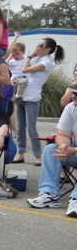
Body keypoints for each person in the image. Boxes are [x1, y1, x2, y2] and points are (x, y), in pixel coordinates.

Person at [15, 37, 65, 165]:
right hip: (21, 96)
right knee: (20, 127)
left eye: (40, 45)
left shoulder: (46, 62)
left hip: (32, 98)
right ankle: (20, 153)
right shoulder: (37, 59)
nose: (37, 47)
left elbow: (24, 69)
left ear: (47, 49)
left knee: (31, 129)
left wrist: (28, 57)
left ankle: (38, 155)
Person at [27, 88, 77, 216]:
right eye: (73, 92)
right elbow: (62, 135)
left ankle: (76, 199)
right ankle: (50, 195)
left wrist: (74, 151)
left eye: (76, 94)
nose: (72, 96)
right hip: (73, 152)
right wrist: (63, 147)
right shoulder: (71, 108)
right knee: (50, 149)